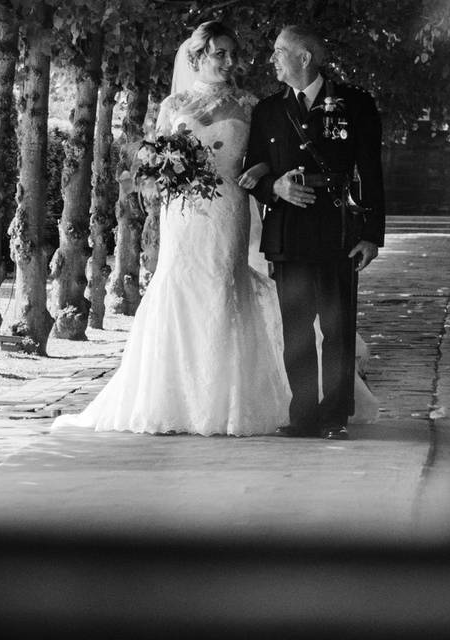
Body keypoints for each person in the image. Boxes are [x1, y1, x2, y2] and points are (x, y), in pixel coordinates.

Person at [52, 22, 291, 436]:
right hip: (183, 214)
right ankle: (175, 397)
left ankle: (226, 402)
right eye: (220, 53)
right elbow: (153, 160)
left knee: (222, 284)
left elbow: (272, 156)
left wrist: (262, 167)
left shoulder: (251, 104)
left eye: (233, 53)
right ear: (197, 57)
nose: (230, 61)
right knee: (178, 285)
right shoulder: (173, 104)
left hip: (229, 207)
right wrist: (151, 180)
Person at [244, 24, 386, 439]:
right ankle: (303, 415)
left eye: (278, 51)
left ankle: (335, 416)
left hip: (337, 227)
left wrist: (371, 234)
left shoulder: (355, 104)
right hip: (288, 230)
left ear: (304, 57)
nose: (271, 58)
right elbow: (253, 171)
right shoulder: (268, 110)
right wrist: (277, 188)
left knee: (337, 328)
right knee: (297, 329)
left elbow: (371, 171)